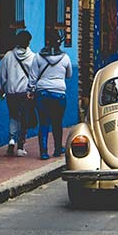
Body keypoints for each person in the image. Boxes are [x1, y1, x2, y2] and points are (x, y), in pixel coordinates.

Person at [29, 30, 72, 160]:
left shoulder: (38, 57)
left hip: (42, 94)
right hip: (59, 94)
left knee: (44, 123)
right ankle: (58, 149)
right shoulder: (65, 58)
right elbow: (69, 75)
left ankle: (43, 152)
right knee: (57, 123)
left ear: (47, 42)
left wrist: (30, 91)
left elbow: (33, 77)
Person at [0, 30, 36, 157]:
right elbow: (34, 77)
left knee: (13, 116)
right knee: (24, 119)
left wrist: (0, 89)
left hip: (11, 93)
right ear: (28, 42)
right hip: (25, 93)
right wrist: (33, 90)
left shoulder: (8, 56)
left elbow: (2, 75)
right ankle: (20, 146)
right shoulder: (33, 57)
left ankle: (11, 139)